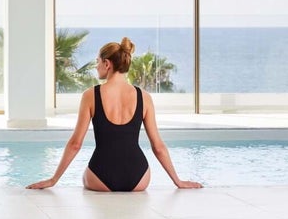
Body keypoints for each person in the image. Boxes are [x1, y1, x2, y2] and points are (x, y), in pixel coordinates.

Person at [27, 37, 202, 192]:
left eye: (98, 62)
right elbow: (158, 146)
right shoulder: (145, 97)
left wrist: (53, 179)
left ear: (107, 64)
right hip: (138, 178)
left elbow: (75, 144)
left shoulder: (90, 96)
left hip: (100, 178)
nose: (96, 67)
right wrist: (178, 181)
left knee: (84, 177)